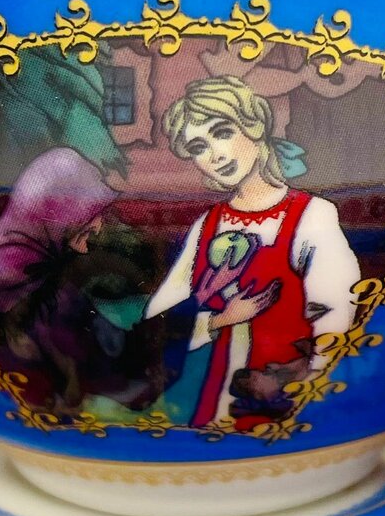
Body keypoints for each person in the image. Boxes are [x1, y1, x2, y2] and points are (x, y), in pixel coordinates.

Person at [142, 76, 359, 429]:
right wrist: (218, 320)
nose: (215, 155)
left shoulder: (312, 215)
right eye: (198, 147)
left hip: (277, 398)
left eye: (222, 132)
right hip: (205, 397)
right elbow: (158, 317)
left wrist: (313, 389)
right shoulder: (207, 224)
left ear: (254, 126)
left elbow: (335, 309)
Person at [0, 148, 125, 416]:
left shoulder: (51, 256)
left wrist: (68, 369)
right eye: (86, 214)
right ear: (55, 214)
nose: (98, 226)